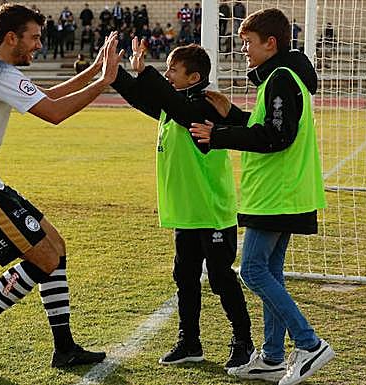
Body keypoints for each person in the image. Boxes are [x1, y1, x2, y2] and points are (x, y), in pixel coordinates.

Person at [0, 3, 123, 374]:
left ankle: (65, 348)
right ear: (11, 38)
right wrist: (104, 83)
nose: (39, 45)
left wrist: (93, 72)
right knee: (45, 259)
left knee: (55, 247)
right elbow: (55, 113)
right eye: (34, 38)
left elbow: (48, 96)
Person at [189, 9, 335, 385]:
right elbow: (265, 127)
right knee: (270, 272)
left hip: (278, 195)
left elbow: (276, 137)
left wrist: (217, 134)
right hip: (278, 195)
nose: (244, 51)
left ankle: (309, 343)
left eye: (248, 43)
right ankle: (271, 357)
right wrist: (233, 115)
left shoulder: (282, 78)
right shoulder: (278, 77)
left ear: (271, 43)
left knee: (253, 270)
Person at [111, 40, 254, 370]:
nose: (167, 74)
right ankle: (189, 342)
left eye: (172, 70)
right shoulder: (173, 104)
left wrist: (145, 72)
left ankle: (243, 341)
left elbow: (173, 106)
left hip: (212, 211)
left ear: (193, 78)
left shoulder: (204, 106)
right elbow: (144, 97)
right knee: (185, 277)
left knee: (220, 278)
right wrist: (114, 74)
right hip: (187, 212)